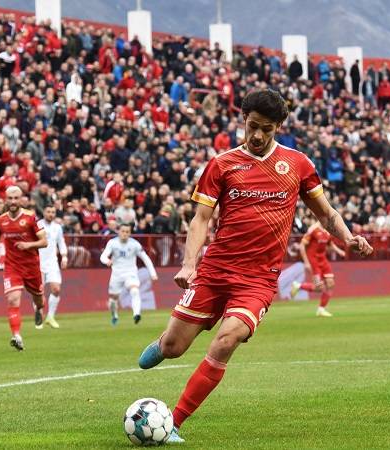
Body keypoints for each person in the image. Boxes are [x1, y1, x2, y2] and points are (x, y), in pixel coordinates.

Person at [136, 89, 373, 443]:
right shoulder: (222, 164)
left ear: (278, 126)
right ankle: (163, 344)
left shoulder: (297, 164)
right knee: (174, 348)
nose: (258, 135)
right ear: (243, 121)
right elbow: (201, 218)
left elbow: (326, 214)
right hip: (215, 271)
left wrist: (348, 237)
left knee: (226, 340)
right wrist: (188, 265)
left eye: (266, 128)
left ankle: (174, 423)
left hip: (258, 280)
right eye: (252, 126)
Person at [0, 186, 48, 351]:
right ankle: (17, 336)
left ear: (21, 199)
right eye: (10, 198)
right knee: (13, 299)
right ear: (5, 199)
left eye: (16, 198)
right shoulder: (0, 220)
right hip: (12, 266)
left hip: (31, 267)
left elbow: (44, 242)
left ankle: (38, 309)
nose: (13, 202)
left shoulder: (31, 217)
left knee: (39, 299)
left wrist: (28, 245)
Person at [100, 222, 158, 325]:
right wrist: (107, 261)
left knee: (135, 291)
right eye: (123, 231)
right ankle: (114, 315)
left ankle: (136, 314)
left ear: (130, 233)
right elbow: (103, 256)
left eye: (127, 232)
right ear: (118, 231)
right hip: (117, 274)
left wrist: (153, 273)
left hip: (130, 273)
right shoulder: (112, 243)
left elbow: (145, 258)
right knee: (113, 298)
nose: (125, 234)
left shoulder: (134, 244)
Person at [290, 215, 347, 317]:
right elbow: (302, 246)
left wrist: (339, 251)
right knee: (319, 287)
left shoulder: (327, 230)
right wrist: (306, 262)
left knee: (330, 284)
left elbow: (330, 244)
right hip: (313, 261)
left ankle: (321, 309)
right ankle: (298, 286)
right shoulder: (313, 229)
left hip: (323, 260)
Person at [37, 205, 68, 329]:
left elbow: (61, 242)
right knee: (39, 292)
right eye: (48, 211)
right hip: (38, 262)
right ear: (44, 212)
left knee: (56, 289)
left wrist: (64, 256)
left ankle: (50, 317)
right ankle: (39, 316)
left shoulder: (57, 227)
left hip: (52, 262)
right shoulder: (37, 225)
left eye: (53, 212)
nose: (51, 214)